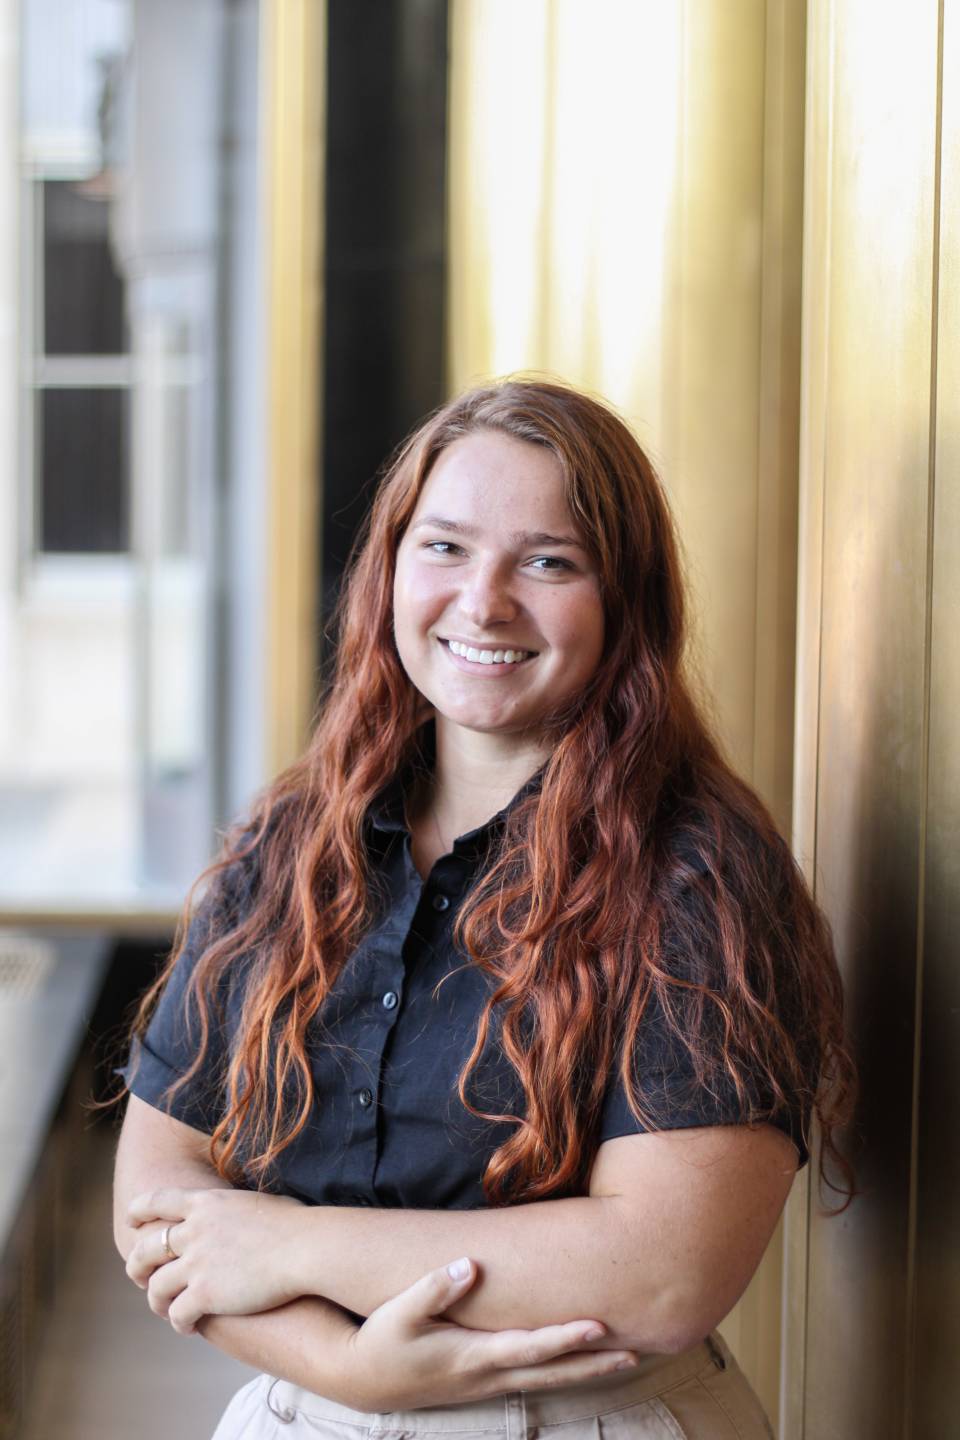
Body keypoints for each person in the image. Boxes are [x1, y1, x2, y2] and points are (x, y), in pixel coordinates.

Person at [112, 378, 855, 1439]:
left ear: (626, 600)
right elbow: (155, 1187)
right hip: (299, 1409)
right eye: (445, 547)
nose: (485, 600)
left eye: (548, 561)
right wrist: (347, 1367)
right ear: (390, 570)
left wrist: (287, 1245)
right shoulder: (294, 838)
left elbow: (662, 1273)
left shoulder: (698, 874)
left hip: (579, 1420)